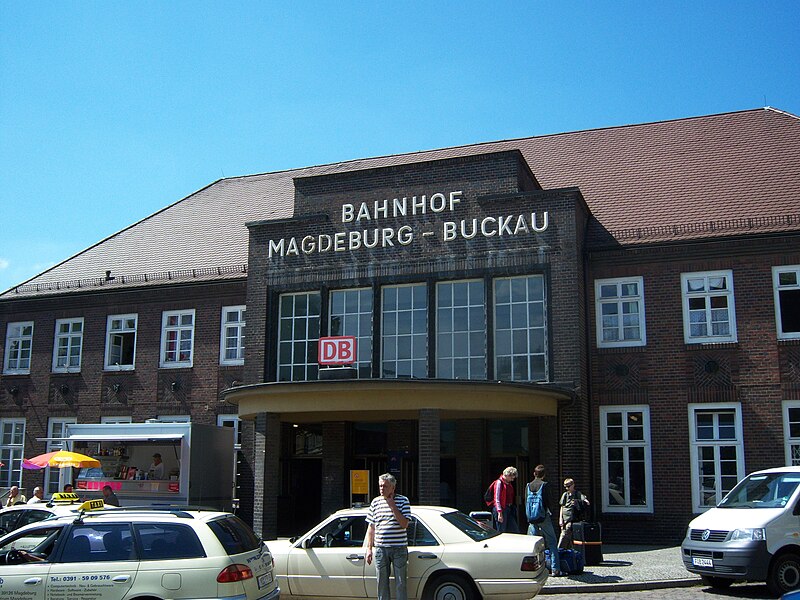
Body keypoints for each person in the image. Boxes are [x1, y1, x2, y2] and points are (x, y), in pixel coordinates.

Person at [365, 473, 411, 600]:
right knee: (382, 583)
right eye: (380, 486)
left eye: (385, 486)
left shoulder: (403, 501)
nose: (381, 489)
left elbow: (404, 524)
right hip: (380, 548)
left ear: (393, 487)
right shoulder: (375, 502)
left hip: (399, 548)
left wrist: (392, 505)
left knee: (401, 583)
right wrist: (369, 549)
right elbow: (371, 527)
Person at [527, 465, 562, 576]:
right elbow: (549, 502)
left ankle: (534, 569)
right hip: (543, 517)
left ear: (534, 473)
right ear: (544, 475)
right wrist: (552, 513)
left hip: (532, 518)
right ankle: (555, 569)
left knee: (534, 544)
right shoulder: (545, 485)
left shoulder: (528, 485)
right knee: (552, 541)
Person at [559, 478, 590, 549]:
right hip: (565, 518)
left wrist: (585, 500)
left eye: (568, 486)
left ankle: (559, 549)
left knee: (565, 534)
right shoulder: (565, 495)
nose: (567, 488)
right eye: (565, 487)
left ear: (573, 485)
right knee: (567, 535)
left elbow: (583, 498)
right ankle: (567, 550)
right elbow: (562, 507)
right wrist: (560, 519)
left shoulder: (577, 493)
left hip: (572, 518)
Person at [490, 466, 518, 533]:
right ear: (507, 475)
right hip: (501, 509)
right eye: (511, 478)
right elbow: (497, 498)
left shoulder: (508, 484)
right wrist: (500, 512)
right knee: (501, 530)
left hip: (508, 508)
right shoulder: (499, 483)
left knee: (514, 529)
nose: (512, 480)